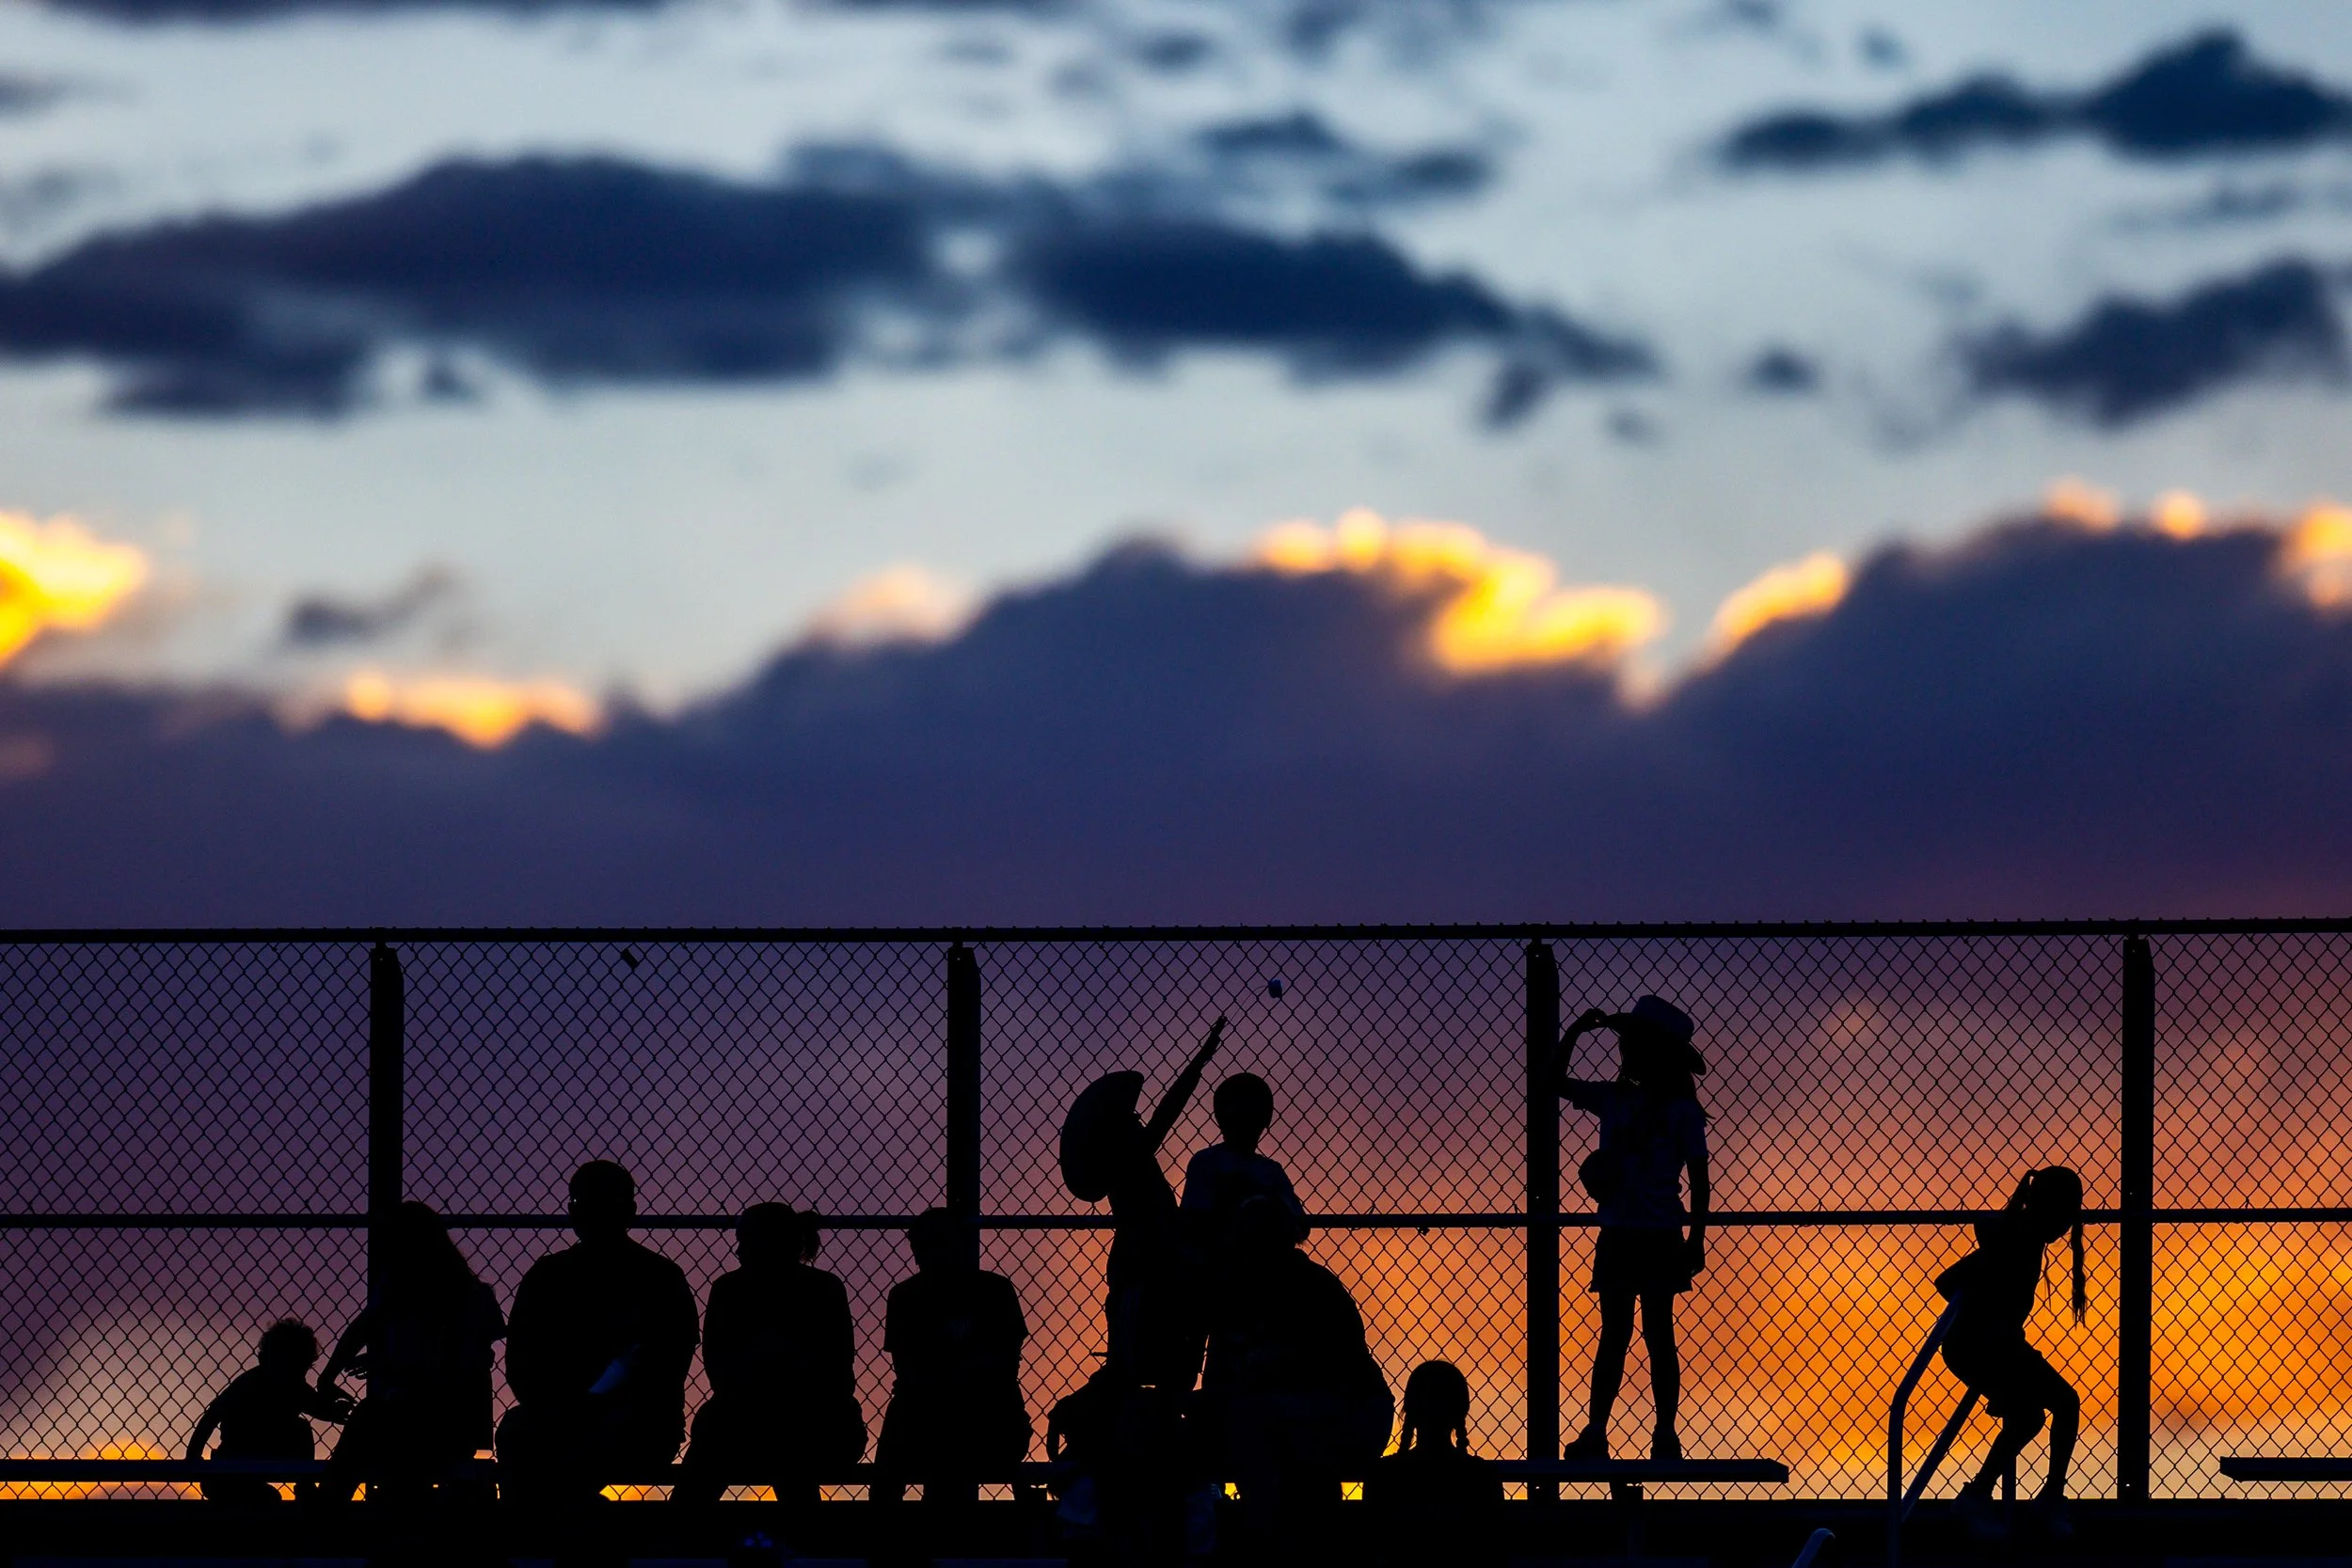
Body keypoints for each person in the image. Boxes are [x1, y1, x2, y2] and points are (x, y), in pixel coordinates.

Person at [1050, 1017, 1226, 1554]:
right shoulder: (1130, 1161)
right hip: (1143, 1271)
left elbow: (1159, 1119)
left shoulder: (1134, 1158)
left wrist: (1198, 1062)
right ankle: (1127, 1507)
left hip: (1161, 1270)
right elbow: (1164, 1116)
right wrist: (1197, 1064)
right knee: (1135, 1374)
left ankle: (1147, 1499)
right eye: (1125, 1119)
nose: (1135, 1121)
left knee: (1164, 1377)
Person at [1553, 995, 1709, 1463]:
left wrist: (1696, 1240)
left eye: (1634, 1044)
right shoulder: (1619, 1098)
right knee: (1625, 1335)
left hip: (1647, 1234)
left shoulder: (1678, 1111)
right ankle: (1603, 1433)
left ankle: (1660, 1434)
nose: (1626, 1052)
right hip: (1633, 1233)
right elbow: (1552, 1082)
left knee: (1649, 1334)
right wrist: (1576, 1032)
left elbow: (1700, 1182)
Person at [497, 1161, 700, 1504]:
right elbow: (521, 1364)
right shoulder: (658, 1275)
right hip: (579, 1416)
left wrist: (573, 1406)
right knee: (526, 1436)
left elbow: (666, 1368)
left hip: (637, 1420)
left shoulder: (658, 1278)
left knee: (537, 1446)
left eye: (603, 1203)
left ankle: (547, 1536)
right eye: (583, 1204)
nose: (592, 1213)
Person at [1200, 1196, 1391, 1545]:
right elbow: (1220, 1380)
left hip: (1351, 1413)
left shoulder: (1314, 1290)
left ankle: (1268, 1534)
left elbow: (1324, 1378)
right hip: (1297, 1415)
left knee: (1261, 1422)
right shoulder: (1235, 1294)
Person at [674, 1202, 865, 1509]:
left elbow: (836, 1371)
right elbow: (720, 1370)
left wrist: (763, 1369)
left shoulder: (817, 1290)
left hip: (806, 1419)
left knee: (776, 1444)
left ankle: (682, 1543)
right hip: (784, 1418)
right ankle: (807, 1545)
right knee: (779, 1447)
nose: (739, 1250)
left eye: (747, 1241)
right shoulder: (734, 1289)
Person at [1934, 1165, 2088, 1544]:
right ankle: (2038, 1500)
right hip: (1976, 1345)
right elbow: (1948, 1281)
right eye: (2063, 1215)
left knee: (2033, 1416)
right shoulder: (2017, 1238)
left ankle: (1983, 1496)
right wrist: (1989, 1321)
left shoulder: (2024, 1237)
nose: (2066, 1226)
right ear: (2045, 1208)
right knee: (2060, 1404)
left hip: (1998, 1346)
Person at [317, 1201, 505, 1501]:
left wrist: (386, 1366)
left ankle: (326, 1517)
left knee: (374, 1425)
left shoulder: (464, 1298)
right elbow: (366, 1326)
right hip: (428, 1419)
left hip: (446, 1421)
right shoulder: (413, 1291)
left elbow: (453, 1373)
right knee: (377, 1425)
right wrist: (330, 1376)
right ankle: (336, 1513)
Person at [876, 1208, 1030, 1498]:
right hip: (932, 1412)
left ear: (959, 1243)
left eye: (939, 1243)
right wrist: (967, 1368)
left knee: (931, 1432)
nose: (930, 1254)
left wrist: (941, 1373)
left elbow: (1004, 1367)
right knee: (916, 1424)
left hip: (986, 1412)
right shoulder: (905, 1297)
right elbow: (908, 1371)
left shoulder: (994, 1291)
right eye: (922, 1246)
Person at [186, 1319, 351, 1503]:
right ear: (266, 1361)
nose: (297, 1376)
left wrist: (335, 1410)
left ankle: (305, 1484)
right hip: (233, 1461)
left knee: (300, 1430)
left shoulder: (295, 1387)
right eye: (291, 1367)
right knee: (268, 1497)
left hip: (259, 1458)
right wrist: (193, 1456)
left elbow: (318, 1407)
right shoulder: (249, 1384)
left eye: (301, 1369)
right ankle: (304, 1484)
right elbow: (212, 1415)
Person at [1365, 1362, 1502, 1568]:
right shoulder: (1481, 1476)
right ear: (1461, 1411)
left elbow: (1372, 1548)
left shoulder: (1385, 1475)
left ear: (1409, 1410)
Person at [1182, 1072, 1307, 1246]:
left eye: (1253, 1113)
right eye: (1239, 1113)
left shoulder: (1271, 1170)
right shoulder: (1207, 1162)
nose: (1246, 1121)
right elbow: (1194, 1221)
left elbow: (1301, 1226)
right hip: (1220, 1259)